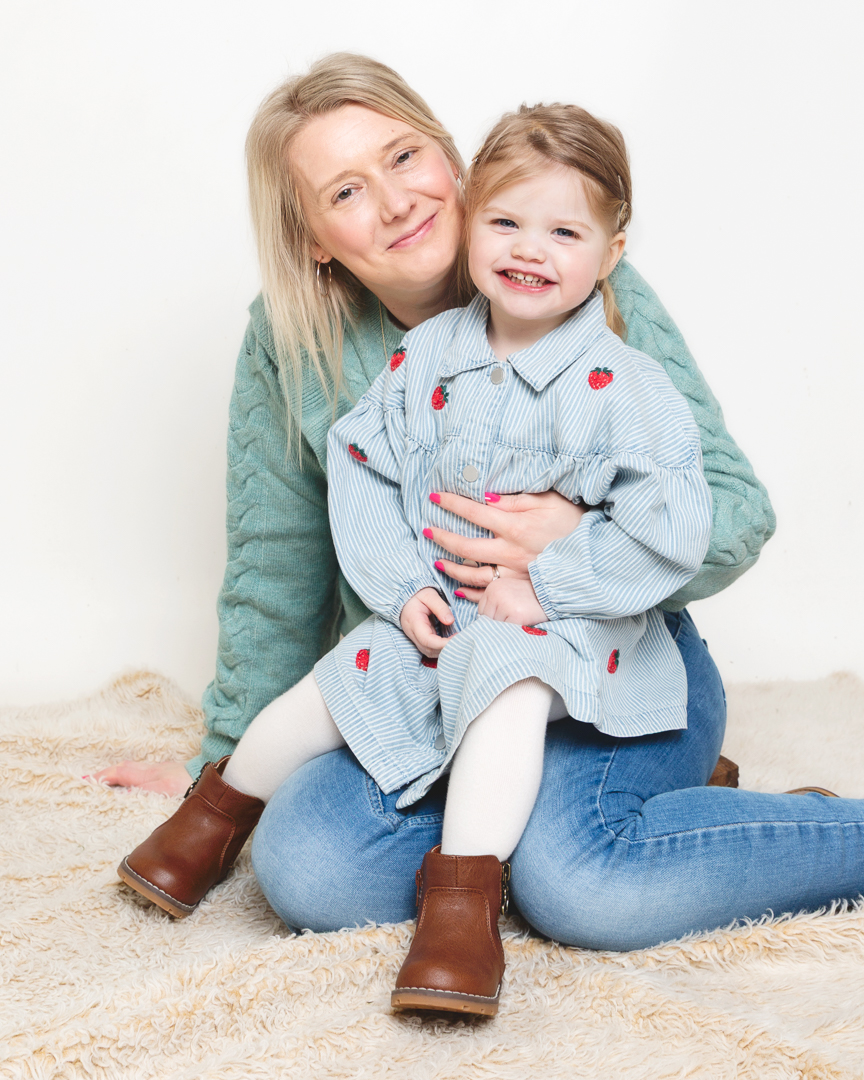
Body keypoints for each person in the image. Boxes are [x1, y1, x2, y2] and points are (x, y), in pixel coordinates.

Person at [99, 53, 864, 979]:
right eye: (347, 189)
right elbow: (278, 559)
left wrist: (567, 548)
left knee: (575, 882)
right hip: (431, 672)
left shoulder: (575, 281)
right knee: (307, 868)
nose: (395, 201)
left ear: (452, 161)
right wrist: (224, 765)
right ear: (313, 237)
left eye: (405, 156)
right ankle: (619, 824)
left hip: (607, 665)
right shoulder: (295, 333)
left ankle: (742, 817)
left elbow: (730, 510)